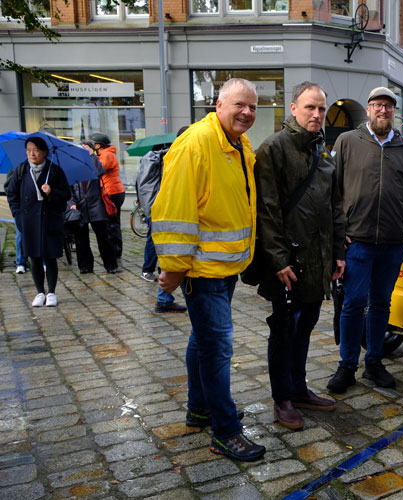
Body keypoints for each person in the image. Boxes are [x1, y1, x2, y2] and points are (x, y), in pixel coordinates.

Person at [151, 78, 265, 461]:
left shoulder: (239, 144)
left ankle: (199, 409)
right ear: (218, 105)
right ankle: (225, 431)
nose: (246, 112)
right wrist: (174, 268)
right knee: (217, 348)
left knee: (202, 341)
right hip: (202, 269)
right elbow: (174, 209)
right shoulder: (196, 143)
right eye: (239, 105)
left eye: (252, 107)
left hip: (225, 265)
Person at [253, 81, 345, 429]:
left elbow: (335, 207)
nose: (317, 114)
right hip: (288, 263)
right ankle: (283, 398)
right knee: (284, 329)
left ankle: (298, 388)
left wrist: (338, 252)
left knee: (305, 326)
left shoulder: (322, 151)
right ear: (293, 108)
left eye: (321, 108)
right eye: (310, 107)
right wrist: (278, 260)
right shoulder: (274, 148)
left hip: (318, 260)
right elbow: (267, 210)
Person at [326, 86, 403, 394]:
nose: (383, 110)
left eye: (388, 106)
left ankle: (374, 362)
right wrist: (336, 232)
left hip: (393, 243)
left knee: (382, 304)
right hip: (356, 241)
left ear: (394, 111)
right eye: (378, 105)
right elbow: (332, 192)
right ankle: (346, 366)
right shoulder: (347, 142)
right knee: (353, 303)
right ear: (368, 109)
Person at [7, 137, 71, 307]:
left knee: (50, 257)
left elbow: (66, 194)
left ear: (45, 152)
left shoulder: (55, 171)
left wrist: (52, 192)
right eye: (28, 150)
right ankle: (40, 292)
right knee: (34, 257)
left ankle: (51, 292)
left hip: (50, 220)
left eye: (35, 150)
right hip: (28, 221)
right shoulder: (21, 170)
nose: (32, 153)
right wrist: (18, 215)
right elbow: (12, 194)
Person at [135, 127, 189, 313]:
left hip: (158, 211)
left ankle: (164, 299)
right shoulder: (172, 157)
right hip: (168, 213)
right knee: (172, 254)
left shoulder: (161, 157)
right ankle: (166, 299)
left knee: (167, 253)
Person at [66, 140, 118, 274]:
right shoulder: (72, 167)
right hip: (79, 206)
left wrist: (91, 155)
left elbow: (100, 171)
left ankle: (111, 265)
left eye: (86, 149)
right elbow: (68, 190)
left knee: (103, 237)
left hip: (96, 205)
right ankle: (85, 266)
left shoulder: (93, 163)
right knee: (81, 239)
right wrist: (71, 204)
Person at [90, 133, 125, 259]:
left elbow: (99, 169)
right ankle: (112, 250)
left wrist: (91, 156)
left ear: (99, 145)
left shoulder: (107, 155)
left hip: (113, 192)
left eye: (94, 144)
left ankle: (116, 251)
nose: (92, 146)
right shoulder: (103, 154)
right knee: (110, 222)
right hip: (110, 191)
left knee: (112, 222)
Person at [4, 165, 28, 274]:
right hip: (22, 208)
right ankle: (21, 262)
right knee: (21, 236)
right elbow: (8, 188)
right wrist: (16, 208)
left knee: (40, 235)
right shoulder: (17, 167)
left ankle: (42, 261)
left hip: (39, 208)